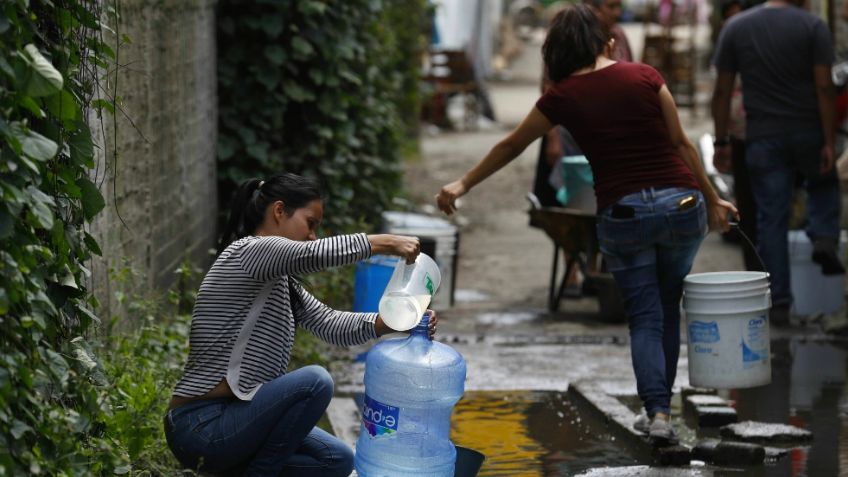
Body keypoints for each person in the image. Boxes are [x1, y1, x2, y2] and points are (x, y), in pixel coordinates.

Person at [435, 5, 736, 445]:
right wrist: (712, 200)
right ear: (606, 42)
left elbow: (513, 143)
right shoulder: (646, 77)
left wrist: (463, 183)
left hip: (624, 214)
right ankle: (660, 409)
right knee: (667, 307)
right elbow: (681, 143)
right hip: (681, 203)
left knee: (646, 317)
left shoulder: (561, 96)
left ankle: (657, 414)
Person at [164, 173, 436, 476]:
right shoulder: (249, 252)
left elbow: (329, 323)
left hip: (238, 417)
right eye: (310, 223)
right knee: (315, 381)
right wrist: (384, 243)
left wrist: (394, 323)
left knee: (337, 460)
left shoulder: (280, 282)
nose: (312, 236)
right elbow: (312, 255)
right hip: (201, 426)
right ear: (279, 211)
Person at [711, 0, 843, 325]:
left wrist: (721, 141)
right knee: (824, 183)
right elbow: (824, 87)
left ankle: (779, 301)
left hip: (763, 137)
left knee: (771, 219)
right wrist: (828, 140)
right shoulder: (813, 27)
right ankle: (824, 237)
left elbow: (722, 92)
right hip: (808, 132)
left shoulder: (736, 27)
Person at [714, 0, 761, 272]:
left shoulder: (747, 34)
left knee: (763, 211)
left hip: (756, 132)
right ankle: (757, 275)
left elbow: (722, 92)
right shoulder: (732, 37)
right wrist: (722, 140)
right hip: (742, 135)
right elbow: (721, 92)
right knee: (752, 210)